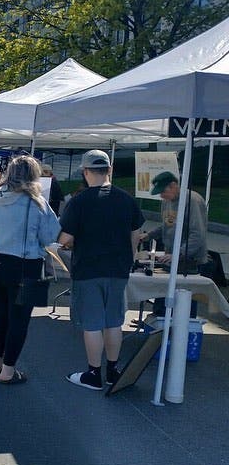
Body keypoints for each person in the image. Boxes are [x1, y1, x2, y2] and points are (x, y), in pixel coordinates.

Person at [59, 150, 144, 390]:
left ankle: (94, 373)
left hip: (88, 269)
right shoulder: (126, 199)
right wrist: (129, 257)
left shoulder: (79, 201)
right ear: (110, 170)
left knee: (93, 323)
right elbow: (136, 234)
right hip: (118, 269)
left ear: (85, 172)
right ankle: (113, 371)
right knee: (114, 321)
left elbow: (65, 238)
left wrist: (67, 243)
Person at [0, 155, 61, 384]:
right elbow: (50, 236)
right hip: (24, 265)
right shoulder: (37, 202)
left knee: (0, 312)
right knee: (20, 318)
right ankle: (8, 370)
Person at [141, 171, 208, 272]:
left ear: (173, 185)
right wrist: (149, 235)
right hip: (172, 257)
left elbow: (197, 234)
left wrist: (178, 254)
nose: (161, 196)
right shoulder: (166, 201)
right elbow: (167, 225)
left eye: (163, 191)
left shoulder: (192, 201)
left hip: (191, 261)